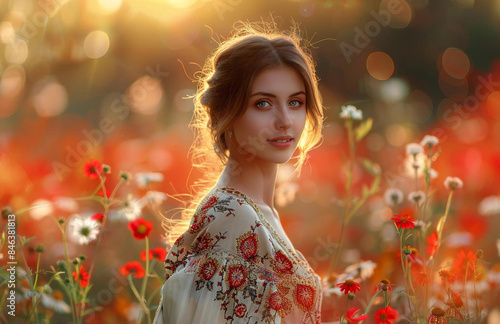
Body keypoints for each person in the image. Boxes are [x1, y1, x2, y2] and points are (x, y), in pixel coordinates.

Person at [153, 22, 325, 323]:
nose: (285, 120)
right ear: (224, 113)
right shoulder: (232, 216)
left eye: (295, 102)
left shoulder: (255, 211)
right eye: (263, 104)